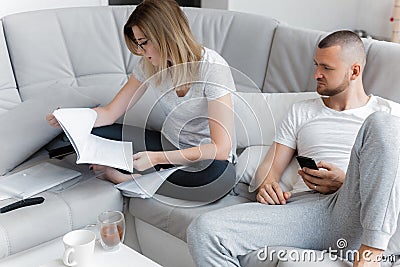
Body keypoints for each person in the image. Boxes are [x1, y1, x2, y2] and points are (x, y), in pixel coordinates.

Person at [186, 30, 400, 266]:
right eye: (316, 65)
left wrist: (345, 180)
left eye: (326, 68)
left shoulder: (389, 112)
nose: (317, 74)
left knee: (383, 124)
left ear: (354, 71)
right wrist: (266, 185)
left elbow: (392, 181)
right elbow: (270, 167)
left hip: (365, 210)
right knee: (203, 230)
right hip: (312, 212)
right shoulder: (302, 111)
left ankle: (369, 255)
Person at [46, 0, 237, 202]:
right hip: (168, 144)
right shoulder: (149, 65)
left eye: (143, 42)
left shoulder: (212, 68)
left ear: (165, 36)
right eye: (138, 44)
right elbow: (110, 113)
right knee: (90, 132)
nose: (140, 51)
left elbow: (220, 149)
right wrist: (70, 119)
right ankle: (155, 175)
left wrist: (156, 158)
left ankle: (129, 178)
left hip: (205, 159)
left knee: (218, 181)